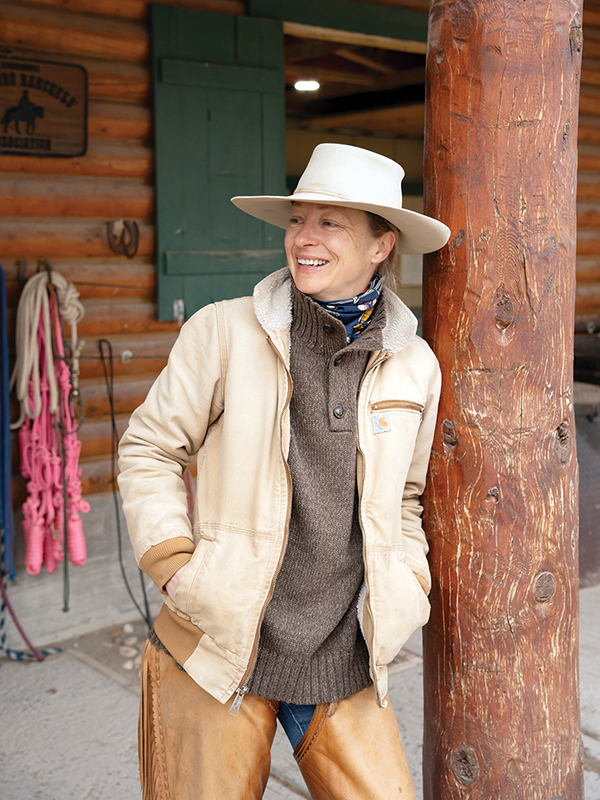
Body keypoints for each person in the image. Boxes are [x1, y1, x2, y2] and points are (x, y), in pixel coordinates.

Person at [118, 143, 450, 800]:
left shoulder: (415, 365)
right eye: (298, 219)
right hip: (219, 646)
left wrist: (408, 583)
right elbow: (149, 448)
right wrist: (176, 565)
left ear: (381, 246)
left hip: (345, 655)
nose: (304, 238)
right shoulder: (222, 332)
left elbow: (407, 497)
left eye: (330, 223)